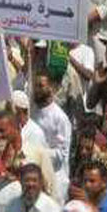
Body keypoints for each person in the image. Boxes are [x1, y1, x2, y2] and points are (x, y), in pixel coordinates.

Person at [31, 71, 73, 203]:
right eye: (35, 86)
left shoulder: (60, 118)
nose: (37, 90)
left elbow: (62, 153)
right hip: (36, 177)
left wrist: (38, 153)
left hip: (56, 179)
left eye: (41, 86)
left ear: (51, 88)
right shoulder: (33, 113)